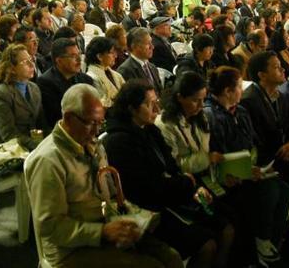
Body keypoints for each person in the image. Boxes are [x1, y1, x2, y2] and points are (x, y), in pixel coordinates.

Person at [24, 83, 183, 268]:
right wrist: (102, 232)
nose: (97, 131)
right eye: (91, 122)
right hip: (70, 250)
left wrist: (133, 216)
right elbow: (51, 228)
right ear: (68, 118)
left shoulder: (92, 144)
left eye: (101, 122)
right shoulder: (48, 161)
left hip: (104, 227)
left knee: (172, 258)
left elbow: (111, 193)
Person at [103, 79, 234, 268]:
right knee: (207, 244)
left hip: (173, 193)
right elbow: (146, 188)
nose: (156, 109)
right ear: (132, 109)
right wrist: (187, 184)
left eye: (156, 102)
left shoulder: (149, 129)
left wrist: (193, 187)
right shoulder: (119, 142)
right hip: (150, 209)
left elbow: (172, 167)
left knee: (226, 223)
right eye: (149, 104)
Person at [204, 66, 289, 266]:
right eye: (238, 87)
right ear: (227, 91)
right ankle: (261, 241)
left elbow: (253, 143)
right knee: (269, 190)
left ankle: (270, 240)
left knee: (286, 193)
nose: (242, 91)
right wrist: (243, 169)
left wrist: (254, 163)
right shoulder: (211, 116)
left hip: (248, 168)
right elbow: (217, 153)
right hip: (226, 176)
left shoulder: (241, 110)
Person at [0, 44, 46, 151]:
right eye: (25, 62)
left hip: (36, 145)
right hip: (16, 150)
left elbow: (42, 123)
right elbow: (9, 135)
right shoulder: (1, 94)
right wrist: (38, 147)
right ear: (12, 69)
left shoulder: (34, 88)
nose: (31, 64)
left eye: (30, 59)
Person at [37, 38, 95, 127]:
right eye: (73, 56)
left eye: (79, 54)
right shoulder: (46, 83)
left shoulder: (86, 80)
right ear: (59, 61)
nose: (79, 60)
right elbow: (56, 117)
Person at [84, 36, 126, 108]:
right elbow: (102, 104)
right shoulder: (91, 78)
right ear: (99, 56)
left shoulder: (116, 75)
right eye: (112, 53)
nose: (115, 56)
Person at [117, 27, 162, 92]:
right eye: (148, 44)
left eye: (151, 42)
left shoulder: (152, 67)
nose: (152, 47)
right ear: (135, 46)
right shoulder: (125, 71)